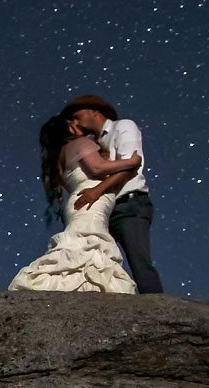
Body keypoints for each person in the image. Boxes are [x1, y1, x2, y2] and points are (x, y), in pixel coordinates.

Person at [7, 113, 142, 292]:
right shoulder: (80, 143)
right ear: (68, 129)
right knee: (88, 246)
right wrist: (130, 162)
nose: (78, 123)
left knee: (82, 245)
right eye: (72, 122)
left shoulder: (60, 157)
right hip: (91, 201)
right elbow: (97, 168)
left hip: (82, 201)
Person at [61, 93, 162, 293]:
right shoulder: (92, 143)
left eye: (77, 114)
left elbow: (130, 166)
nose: (75, 120)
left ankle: (161, 313)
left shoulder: (123, 127)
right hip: (106, 208)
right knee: (99, 261)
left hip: (128, 203)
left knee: (139, 262)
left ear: (94, 111)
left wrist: (97, 191)